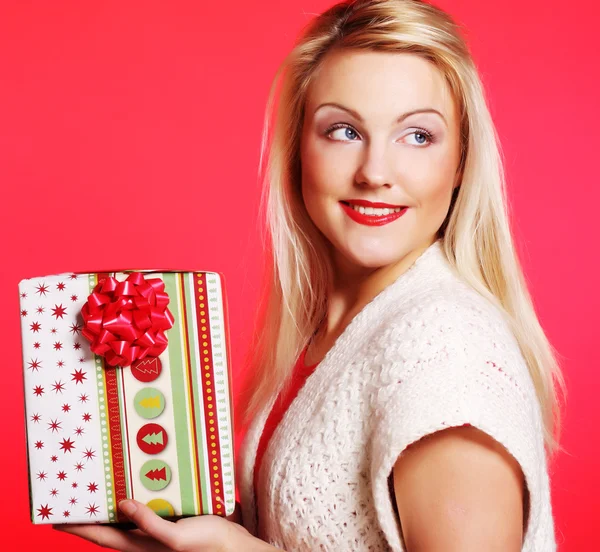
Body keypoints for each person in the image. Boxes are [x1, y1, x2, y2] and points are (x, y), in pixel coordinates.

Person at [54, 0, 566, 550]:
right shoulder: (332, 329)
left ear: (461, 159)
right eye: (344, 131)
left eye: (417, 136)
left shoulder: (442, 344)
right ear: (299, 148)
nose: (374, 173)